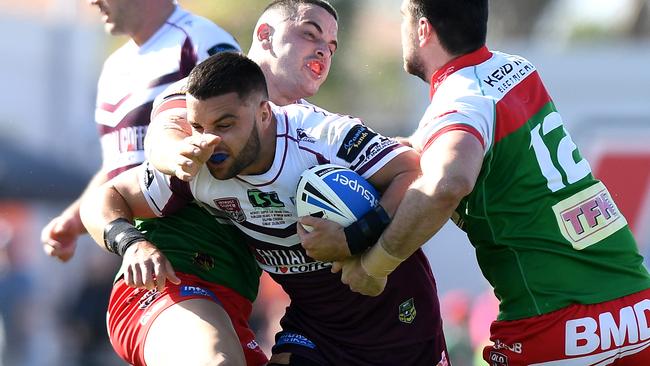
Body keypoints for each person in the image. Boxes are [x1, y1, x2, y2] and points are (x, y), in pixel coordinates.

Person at [81, 52, 450, 365]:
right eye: (198, 126)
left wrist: (354, 237)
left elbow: (415, 172)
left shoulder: (321, 138)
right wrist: (131, 243)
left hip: (400, 321)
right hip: (315, 330)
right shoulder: (196, 165)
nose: (211, 140)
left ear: (264, 113)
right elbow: (107, 196)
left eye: (225, 124)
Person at [337, 0, 650, 364]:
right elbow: (435, 144)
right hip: (636, 308)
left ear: (423, 30)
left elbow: (446, 184)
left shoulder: (462, 100)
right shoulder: (516, 70)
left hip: (557, 323)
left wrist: (374, 266)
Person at [40, 1, 266, 365]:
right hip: (155, 263)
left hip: (217, 261)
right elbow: (121, 166)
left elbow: (243, 138)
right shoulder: (114, 67)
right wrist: (74, 218)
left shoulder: (201, 41)